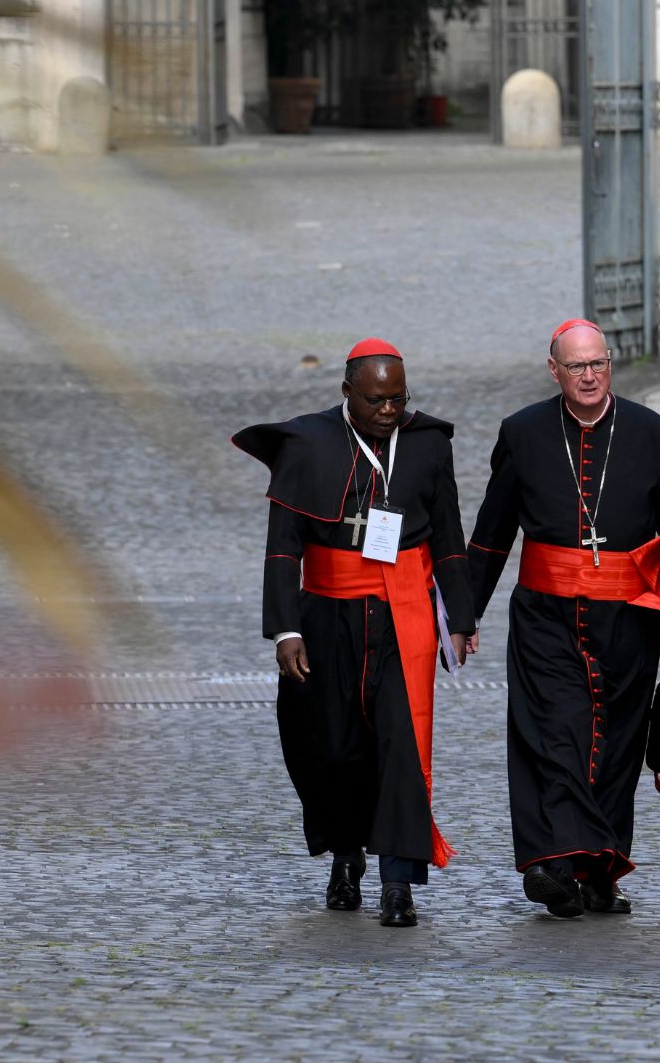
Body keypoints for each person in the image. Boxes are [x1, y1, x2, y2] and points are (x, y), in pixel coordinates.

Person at [464, 318, 660, 918]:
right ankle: (551, 864)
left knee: (619, 743)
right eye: (577, 366)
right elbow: (492, 533)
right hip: (544, 616)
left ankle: (600, 872)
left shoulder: (653, 434)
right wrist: (464, 614)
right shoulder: (523, 433)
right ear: (555, 371)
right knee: (554, 733)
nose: (590, 376)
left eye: (599, 363)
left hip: (628, 616)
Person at [233, 337, 473, 928]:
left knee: (401, 746)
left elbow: (448, 535)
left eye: (398, 399)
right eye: (376, 401)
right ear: (347, 393)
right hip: (326, 617)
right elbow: (283, 548)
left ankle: (398, 883)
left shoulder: (427, 443)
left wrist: (461, 620)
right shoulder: (307, 443)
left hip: (403, 615)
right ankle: (346, 855)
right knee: (333, 748)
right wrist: (285, 630)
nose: (389, 411)